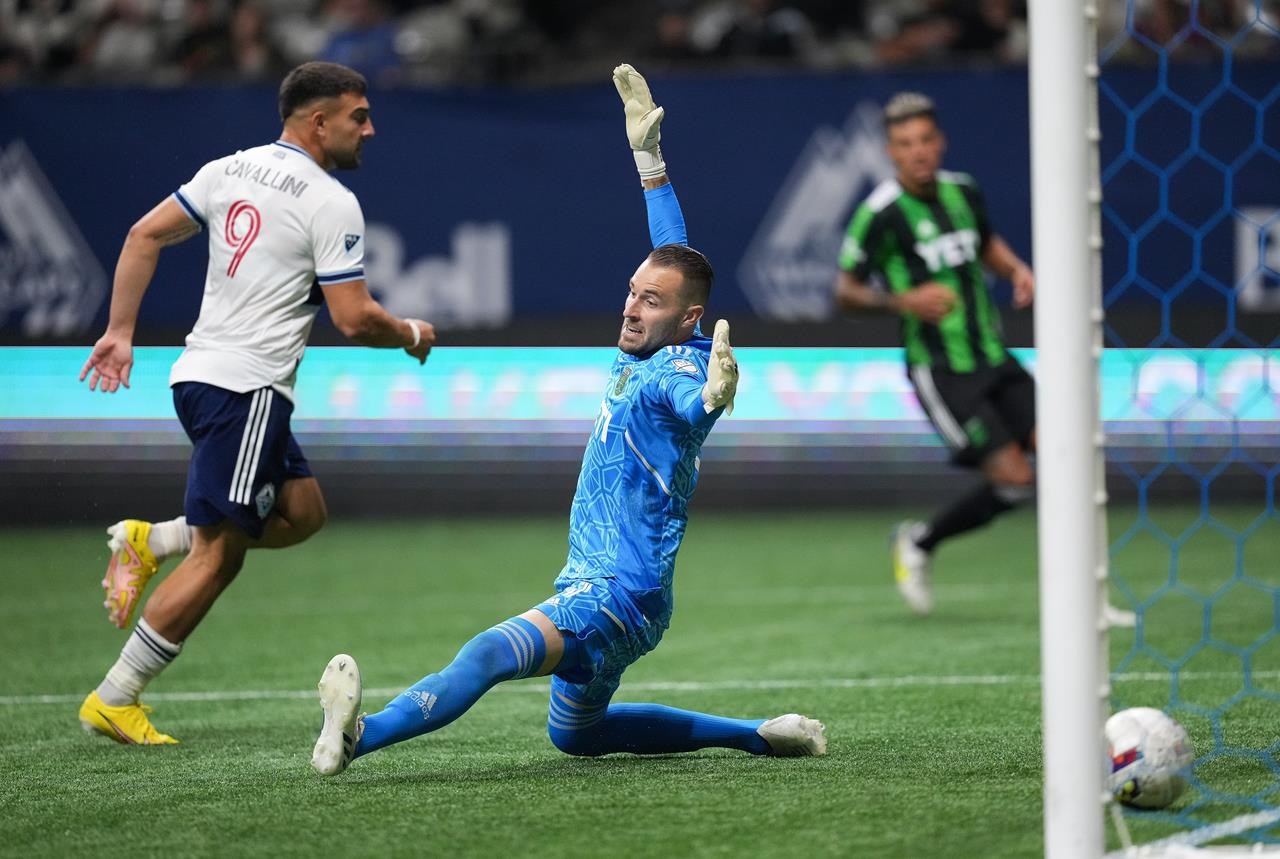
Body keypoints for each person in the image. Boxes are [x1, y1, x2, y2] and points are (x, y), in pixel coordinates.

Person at [310, 64, 827, 776]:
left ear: (688, 320)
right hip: (623, 594)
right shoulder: (669, 334)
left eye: (649, 301)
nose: (631, 305)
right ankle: (760, 734)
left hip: (615, 593)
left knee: (490, 652)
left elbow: (691, 406)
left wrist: (713, 398)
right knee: (575, 735)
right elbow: (672, 247)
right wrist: (649, 160)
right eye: (631, 291)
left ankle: (356, 736)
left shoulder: (680, 372)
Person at [77, 61, 437, 745]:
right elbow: (355, 319)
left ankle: (152, 538)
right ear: (317, 122)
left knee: (302, 512)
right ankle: (115, 696)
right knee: (221, 554)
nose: (370, 129)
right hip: (247, 389)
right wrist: (413, 333)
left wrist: (120, 332)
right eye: (358, 116)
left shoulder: (228, 169)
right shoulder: (329, 202)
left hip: (204, 377)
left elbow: (141, 235)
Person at [834, 92, 1136, 627]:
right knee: (1016, 480)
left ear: (940, 141)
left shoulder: (963, 191)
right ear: (891, 151)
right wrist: (904, 300)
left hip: (994, 355)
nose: (919, 151)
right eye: (906, 144)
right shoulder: (878, 214)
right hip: (942, 369)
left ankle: (1090, 602)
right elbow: (846, 290)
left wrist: (1016, 270)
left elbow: (985, 243)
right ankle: (921, 541)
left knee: (1067, 455)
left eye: (926, 139)